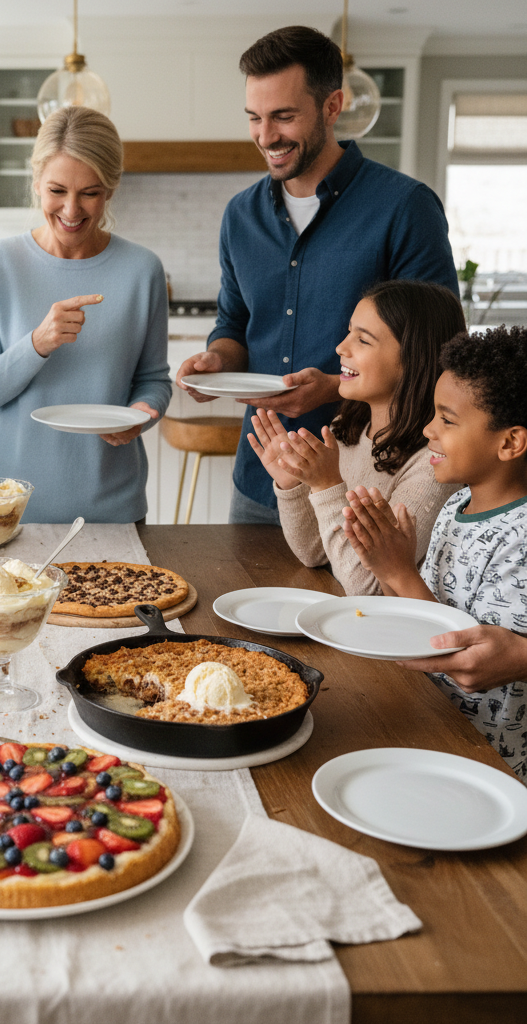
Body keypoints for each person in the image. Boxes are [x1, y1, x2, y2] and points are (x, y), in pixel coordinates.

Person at [175, 25, 458, 525]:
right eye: (255, 118)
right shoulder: (240, 216)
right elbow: (234, 322)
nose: (266, 136)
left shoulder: (405, 207)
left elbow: (437, 345)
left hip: (367, 483)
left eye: (284, 116)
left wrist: (331, 387)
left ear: (332, 106)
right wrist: (217, 361)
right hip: (262, 477)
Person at [0, 105, 171, 524]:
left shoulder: (142, 269)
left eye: (89, 192)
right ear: (36, 182)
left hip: (111, 507)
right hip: (7, 508)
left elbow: (153, 381)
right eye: (57, 190)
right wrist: (38, 343)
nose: (72, 210)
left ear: (110, 189)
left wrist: (143, 415)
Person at [341, 326, 527, 781]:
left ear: (509, 443)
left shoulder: (520, 538)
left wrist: (400, 572)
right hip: (429, 721)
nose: (428, 429)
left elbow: (461, 653)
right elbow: (418, 618)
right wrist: (387, 568)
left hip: (487, 762)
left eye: (447, 419)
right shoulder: (456, 506)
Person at [247, 279, 463, 594]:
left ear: (413, 357)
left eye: (362, 340)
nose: (341, 347)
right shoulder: (347, 428)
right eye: (350, 332)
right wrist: (292, 485)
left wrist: (327, 486)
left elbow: (370, 588)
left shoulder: (433, 466)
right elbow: (313, 552)